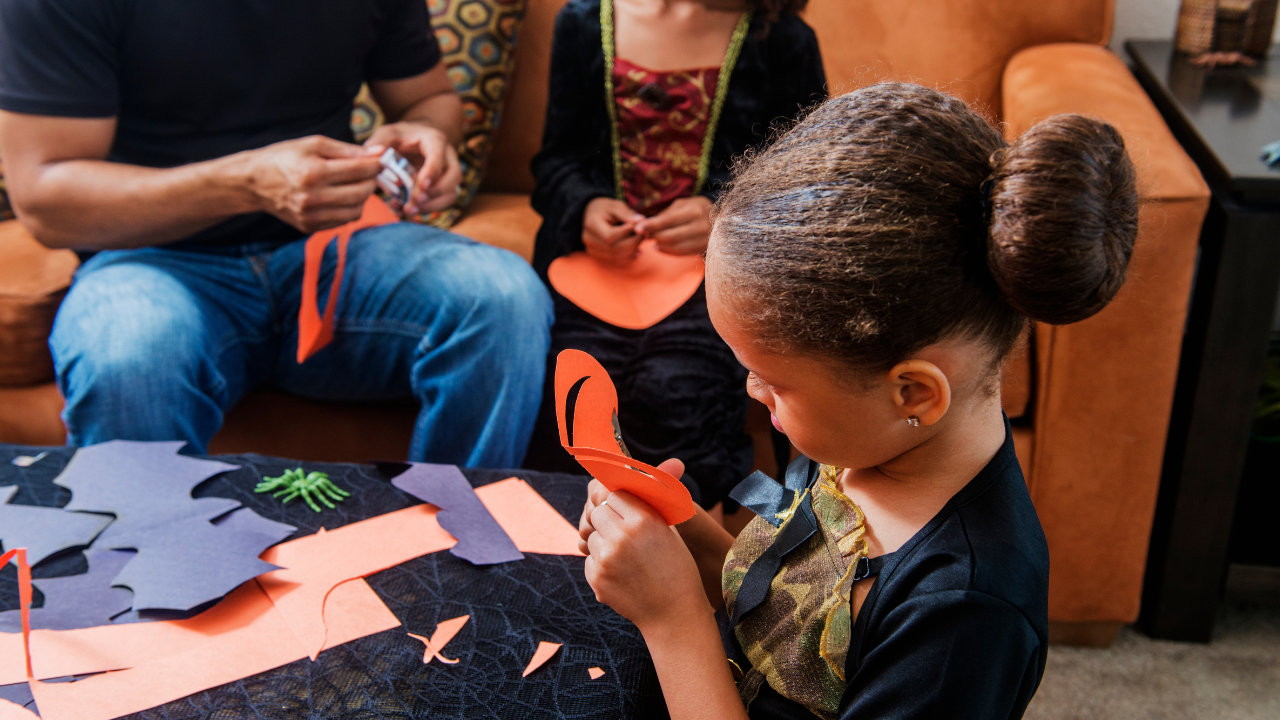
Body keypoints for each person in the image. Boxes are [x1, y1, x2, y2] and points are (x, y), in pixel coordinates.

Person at [577, 83, 1139, 718]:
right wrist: (680, 532)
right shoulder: (861, 441)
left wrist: (672, 618)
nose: (750, 391)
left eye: (773, 380)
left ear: (914, 393)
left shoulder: (963, 616)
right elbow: (784, 614)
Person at [0, 0, 552, 467]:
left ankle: (453, 563)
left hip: (334, 249)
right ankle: (153, 584)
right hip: (150, 259)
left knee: (502, 296)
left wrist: (426, 135)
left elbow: (426, 99)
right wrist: (244, 183)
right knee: (127, 357)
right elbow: (46, 200)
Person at [523, 0, 826, 512]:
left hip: (720, 274)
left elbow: (807, 176)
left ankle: (689, 563)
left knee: (677, 392)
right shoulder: (581, 22)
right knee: (569, 395)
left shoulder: (782, 40)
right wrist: (584, 208)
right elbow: (558, 160)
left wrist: (721, 211)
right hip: (589, 270)